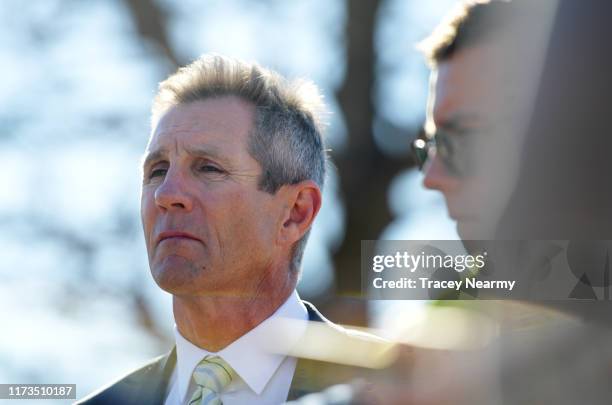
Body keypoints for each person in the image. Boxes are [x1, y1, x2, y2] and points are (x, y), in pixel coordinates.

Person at [76, 54, 387, 405]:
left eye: (208, 168)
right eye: (158, 170)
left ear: (295, 213)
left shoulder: (398, 391)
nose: (167, 195)